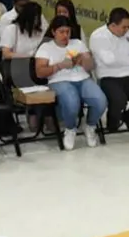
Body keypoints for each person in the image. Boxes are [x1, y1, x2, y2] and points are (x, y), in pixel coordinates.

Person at [34, 16, 107, 150]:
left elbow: (90, 67)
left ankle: (90, 126)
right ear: (53, 32)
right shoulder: (46, 47)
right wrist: (59, 66)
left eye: (68, 32)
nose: (65, 35)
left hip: (82, 78)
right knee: (71, 101)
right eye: (61, 32)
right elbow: (39, 72)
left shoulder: (78, 43)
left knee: (100, 100)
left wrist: (85, 59)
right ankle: (70, 129)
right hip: (58, 80)